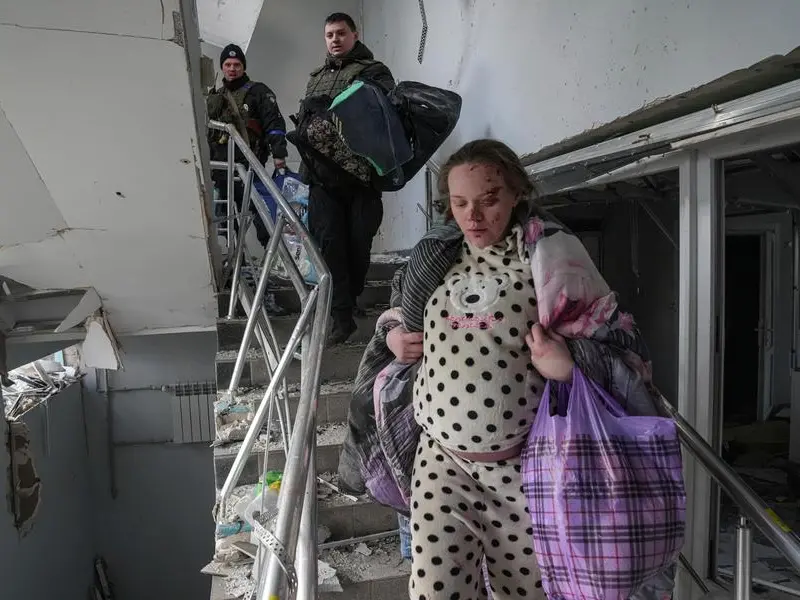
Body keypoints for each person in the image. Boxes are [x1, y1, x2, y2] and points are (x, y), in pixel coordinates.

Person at [340, 139, 676, 600]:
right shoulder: (434, 256)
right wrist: (395, 334)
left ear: (517, 192)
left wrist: (569, 366)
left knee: (524, 594)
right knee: (435, 593)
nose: (473, 216)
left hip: (525, 470)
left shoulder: (553, 256)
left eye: (489, 199)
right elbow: (399, 312)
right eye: (460, 203)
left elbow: (617, 343)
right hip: (441, 462)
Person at [299, 13, 395, 345]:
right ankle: (340, 317)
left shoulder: (374, 71)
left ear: (355, 34)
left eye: (341, 33)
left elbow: (381, 113)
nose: (335, 40)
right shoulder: (316, 78)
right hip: (322, 177)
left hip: (361, 176)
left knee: (358, 245)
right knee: (330, 246)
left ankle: (349, 298)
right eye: (329, 35)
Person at [207, 43, 289, 315]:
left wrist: (279, 155)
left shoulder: (258, 92)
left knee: (264, 224)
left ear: (243, 67)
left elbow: (274, 124)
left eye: (237, 65)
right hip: (220, 172)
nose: (232, 69)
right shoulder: (215, 97)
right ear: (222, 67)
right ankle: (235, 276)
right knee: (224, 229)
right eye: (228, 65)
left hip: (248, 170)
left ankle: (275, 274)